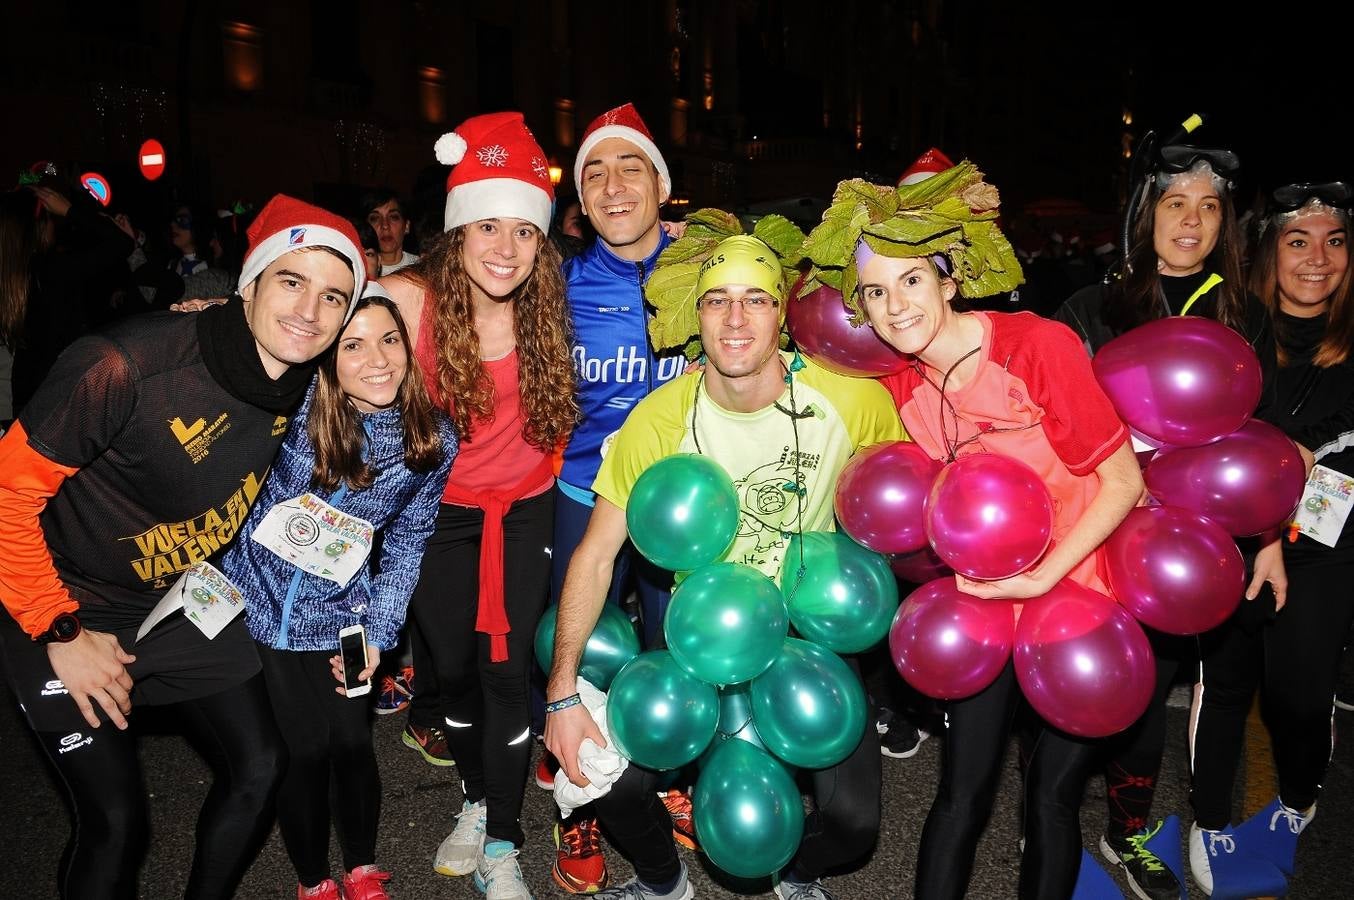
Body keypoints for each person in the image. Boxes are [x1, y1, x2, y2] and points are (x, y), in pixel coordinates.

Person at [0, 194, 366, 900]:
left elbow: (401, 335)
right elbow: (8, 495)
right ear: (249, 283)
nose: (309, 312)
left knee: (262, 765)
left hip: (181, 598)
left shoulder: (306, 377)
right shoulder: (121, 366)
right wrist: (60, 626)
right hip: (60, 600)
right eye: (290, 281)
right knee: (116, 822)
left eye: (333, 297)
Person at [800, 162, 1143, 899]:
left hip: (1076, 595)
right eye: (876, 291)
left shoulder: (1035, 347)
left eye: (912, 281)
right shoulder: (895, 380)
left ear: (949, 281)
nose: (895, 306)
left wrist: (1049, 577)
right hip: (981, 603)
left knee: (1051, 797)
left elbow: (1124, 483)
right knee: (961, 793)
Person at [545, 228, 904, 900]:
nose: (735, 320)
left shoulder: (850, 399)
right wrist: (562, 691)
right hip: (700, 640)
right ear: (696, 315)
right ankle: (662, 881)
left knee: (855, 826)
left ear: (782, 312)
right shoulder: (660, 419)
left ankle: (799, 874)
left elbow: (904, 502)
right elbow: (594, 557)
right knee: (609, 783)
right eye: (716, 302)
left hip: (810, 631)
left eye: (755, 300)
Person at [1054, 128, 1280, 900]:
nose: (1192, 220)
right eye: (1175, 201)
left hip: (1183, 548)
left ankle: (1128, 831)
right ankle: (1046, 814)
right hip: (1093, 531)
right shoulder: (1090, 305)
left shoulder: (1245, 318)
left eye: (1210, 207)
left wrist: (1272, 538)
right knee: (1071, 680)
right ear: (1146, 211)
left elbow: (1261, 443)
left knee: (1150, 695)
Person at [382, 111, 577, 900]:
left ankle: (503, 839)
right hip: (438, 514)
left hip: (524, 511)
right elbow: (298, 323)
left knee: (505, 677)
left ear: (542, 241)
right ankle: (472, 797)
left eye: (524, 233)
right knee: (452, 675)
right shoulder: (404, 300)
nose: (506, 248)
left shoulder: (547, 305)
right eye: (487, 227)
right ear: (457, 232)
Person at [220, 287, 456, 900]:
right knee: (303, 751)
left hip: (349, 619)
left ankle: (360, 866)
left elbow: (408, 542)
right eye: (352, 345)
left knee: (353, 744)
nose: (377, 360)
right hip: (262, 612)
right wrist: (216, 310)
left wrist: (380, 635)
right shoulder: (297, 413)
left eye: (389, 340)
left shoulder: (432, 439)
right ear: (326, 357)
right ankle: (312, 880)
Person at [1187, 181, 1354, 897]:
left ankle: (1299, 792)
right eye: (1298, 241)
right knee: (1225, 684)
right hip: (1236, 535)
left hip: (1324, 540)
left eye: (1335, 240)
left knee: (1299, 696)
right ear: (1269, 254)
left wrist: (1319, 449)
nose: (1318, 258)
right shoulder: (1237, 332)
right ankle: (1208, 817)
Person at [545, 101, 688, 893]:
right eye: (594, 170)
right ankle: (580, 809)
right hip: (584, 495)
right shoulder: (557, 285)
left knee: (677, 659)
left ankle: (665, 778)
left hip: (683, 509)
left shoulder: (708, 272)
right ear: (581, 197)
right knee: (571, 654)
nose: (612, 183)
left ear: (661, 184)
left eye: (630, 165)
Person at [361, 188, 419, 274]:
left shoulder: (421, 267)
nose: (385, 226)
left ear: (406, 226)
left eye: (393, 217)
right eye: (375, 218)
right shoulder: (359, 269)